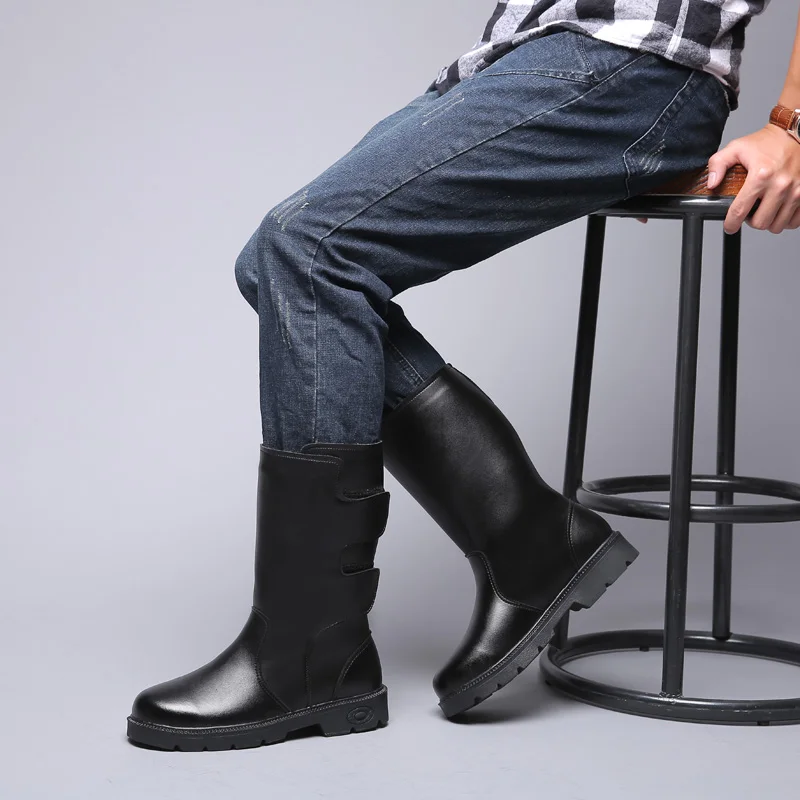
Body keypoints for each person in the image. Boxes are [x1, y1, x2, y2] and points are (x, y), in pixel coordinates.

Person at [126, 2, 800, 751]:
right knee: (279, 263)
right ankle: (522, 544)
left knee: (309, 250)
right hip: (530, 61)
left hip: (627, 66)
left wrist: (793, 125)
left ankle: (311, 649)